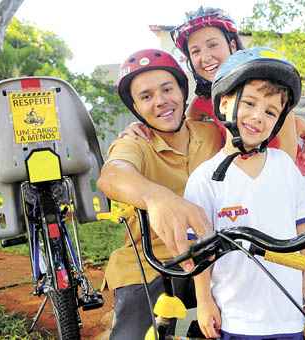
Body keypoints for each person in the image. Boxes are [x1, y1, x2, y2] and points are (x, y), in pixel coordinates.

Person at [183, 47, 305, 339]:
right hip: (236, 317)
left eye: (270, 111)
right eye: (249, 103)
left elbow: (302, 227)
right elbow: (200, 251)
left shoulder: (284, 166)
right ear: (223, 105)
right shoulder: (204, 178)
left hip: (287, 313)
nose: (258, 116)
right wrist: (205, 301)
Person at [97, 48, 222, 339]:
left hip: (216, 254)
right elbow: (113, 174)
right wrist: (157, 197)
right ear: (136, 109)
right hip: (153, 261)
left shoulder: (212, 134)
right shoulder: (135, 143)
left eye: (167, 89)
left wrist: (294, 121)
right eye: (146, 97)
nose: (161, 102)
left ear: (182, 90)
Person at [121, 6, 305, 176]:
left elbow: (287, 159)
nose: (205, 57)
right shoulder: (203, 101)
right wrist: (146, 126)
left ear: (231, 45)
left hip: (281, 180)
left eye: (212, 45)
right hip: (240, 179)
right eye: (195, 51)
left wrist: (294, 119)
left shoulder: (265, 89)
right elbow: (183, 125)